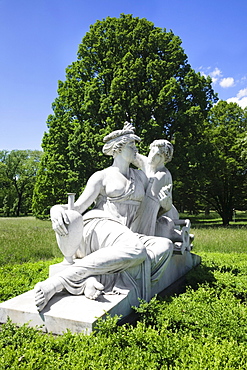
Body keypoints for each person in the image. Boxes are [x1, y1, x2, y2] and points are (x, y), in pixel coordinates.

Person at [35, 123, 174, 312]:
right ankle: (57, 282)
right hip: (100, 226)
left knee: (164, 246)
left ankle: (90, 279)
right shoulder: (101, 176)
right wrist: (55, 210)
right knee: (135, 249)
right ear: (118, 148)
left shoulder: (140, 177)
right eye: (131, 145)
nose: (136, 150)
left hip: (128, 234)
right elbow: (76, 207)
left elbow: (155, 205)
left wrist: (165, 204)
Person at [132, 139, 192, 249]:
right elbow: (129, 154)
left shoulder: (162, 176)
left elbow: (149, 209)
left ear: (165, 159)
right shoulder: (146, 163)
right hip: (148, 208)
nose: (152, 157)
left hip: (162, 214)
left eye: (159, 155)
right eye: (152, 151)